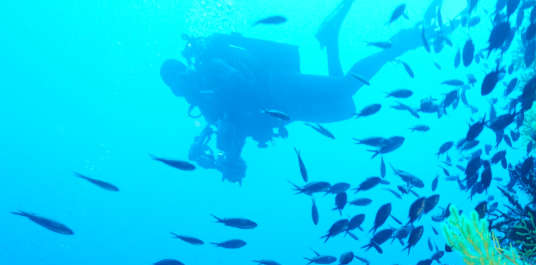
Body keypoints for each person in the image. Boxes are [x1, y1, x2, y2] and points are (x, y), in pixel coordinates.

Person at [160, 0, 449, 182]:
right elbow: (239, 156)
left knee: (344, 87)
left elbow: (240, 84)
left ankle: (399, 43)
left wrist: (225, 123)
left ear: (183, 70)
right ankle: (330, 36)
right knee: (344, 107)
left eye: (177, 78)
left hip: (278, 85)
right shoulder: (206, 108)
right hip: (283, 111)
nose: (178, 86)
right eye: (172, 85)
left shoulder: (210, 67)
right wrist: (222, 162)